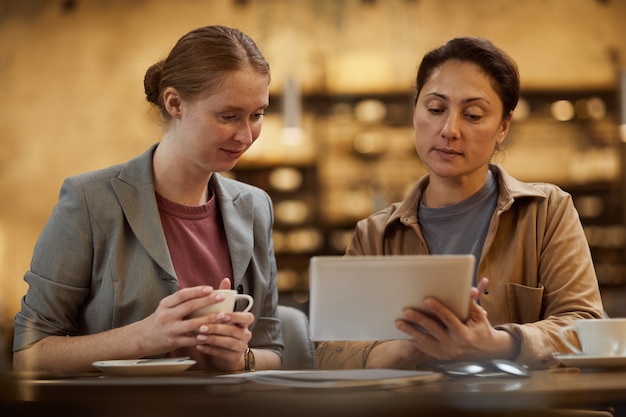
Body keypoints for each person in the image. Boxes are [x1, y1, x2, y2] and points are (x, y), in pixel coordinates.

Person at [316, 36, 605, 370]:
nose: (449, 129)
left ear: (503, 127)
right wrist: (413, 349)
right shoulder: (376, 234)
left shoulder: (547, 212)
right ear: (415, 112)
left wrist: (497, 343)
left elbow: (585, 327)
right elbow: (330, 353)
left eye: (473, 115)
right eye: (435, 109)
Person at [13, 25, 283, 374]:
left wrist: (239, 358)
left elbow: (274, 350)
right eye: (228, 116)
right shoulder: (89, 201)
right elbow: (28, 354)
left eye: (257, 115)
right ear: (174, 103)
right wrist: (141, 337)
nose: (246, 135)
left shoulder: (255, 206)